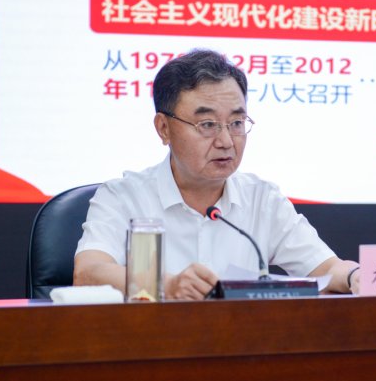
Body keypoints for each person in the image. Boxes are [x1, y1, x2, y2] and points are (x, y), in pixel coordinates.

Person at [73, 49, 360, 300]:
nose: (226, 141)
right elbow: (88, 272)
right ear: (164, 128)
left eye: (236, 122)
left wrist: (355, 276)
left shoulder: (262, 199)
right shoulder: (124, 197)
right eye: (207, 124)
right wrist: (167, 286)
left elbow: (328, 268)